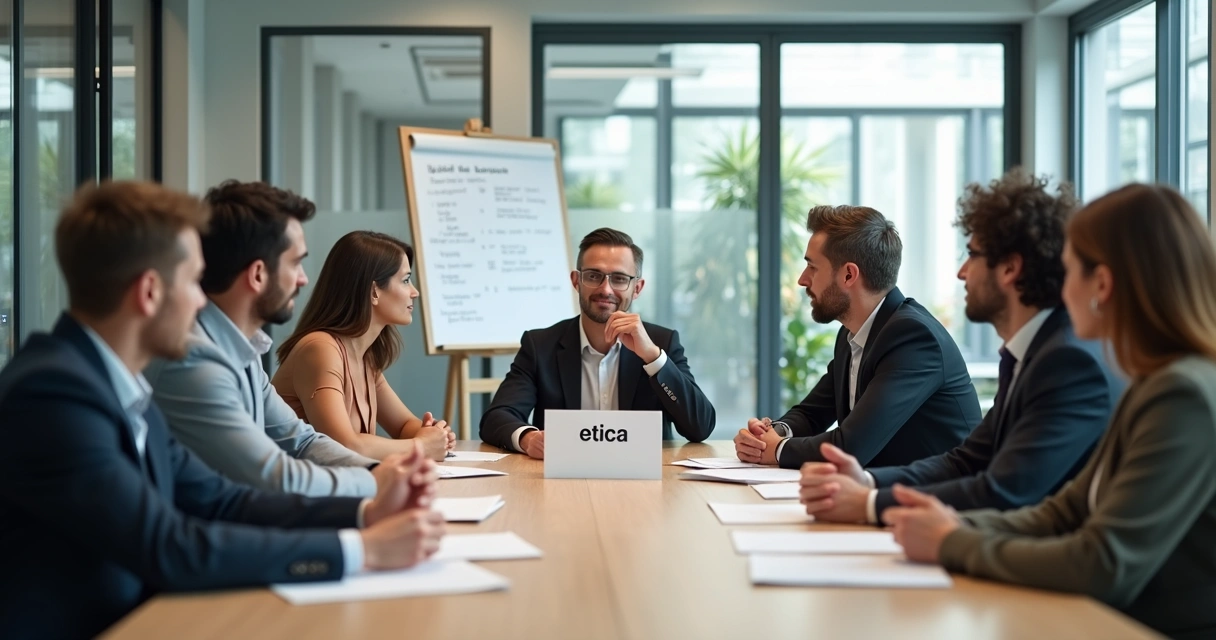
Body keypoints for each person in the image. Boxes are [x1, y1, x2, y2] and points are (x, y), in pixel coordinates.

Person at [0, 181, 445, 638]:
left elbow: (219, 497)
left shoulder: (119, 388)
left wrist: (365, 515)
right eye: (194, 281)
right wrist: (362, 549)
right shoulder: (54, 395)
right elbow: (167, 545)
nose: (203, 301)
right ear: (150, 292)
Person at [885, 184, 1216, 640]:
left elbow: (1104, 562)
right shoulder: (1154, 381)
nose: (1060, 288)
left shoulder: (1183, 394)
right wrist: (951, 525)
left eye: (1067, 271)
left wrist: (952, 542)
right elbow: (1065, 512)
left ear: (1101, 284)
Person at [797, 169, 1123, 524]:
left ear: (1010, 268)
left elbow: (1005, 491)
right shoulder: (1030, 353)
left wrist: (870, 503)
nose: (961, 272)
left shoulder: (1068, 362)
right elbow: (966, 461)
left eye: (972, 254)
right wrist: (868, 482)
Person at [146, 181, 388, 496]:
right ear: (258, 274)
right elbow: (272, 475)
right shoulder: (192, 358)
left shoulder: (240, 349)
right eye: (296, 263)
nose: (304, 278)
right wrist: (377, 481)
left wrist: (377, 470)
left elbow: (301, 441)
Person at [735, 205, 980, 469]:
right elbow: (812, 413)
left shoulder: (913, 337)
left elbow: (852, 447)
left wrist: (778, 450)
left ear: (849, 275)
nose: (802, 280)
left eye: (812, 267)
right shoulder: (852, 334)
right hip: (885, 493)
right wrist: (771, 435)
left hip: (945, 503)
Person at [479, 227, 716, 458]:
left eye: (619, 278)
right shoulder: (540, 345)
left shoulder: (661, 343)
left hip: (644, 484)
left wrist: (653, 358)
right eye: (593, 276)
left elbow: (700, 427)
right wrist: (529, 438)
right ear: (576, 281)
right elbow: (497, 417)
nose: (606, 289)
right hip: (562, 484)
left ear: (637, 288)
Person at [273, 231, 454, 461]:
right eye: (406, 280)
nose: (414, 292)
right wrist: (421, 446)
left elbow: (403, 426)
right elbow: (344, 446)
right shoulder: (320, 349)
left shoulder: (364, 357)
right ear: (374, 291)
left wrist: (431, 435)